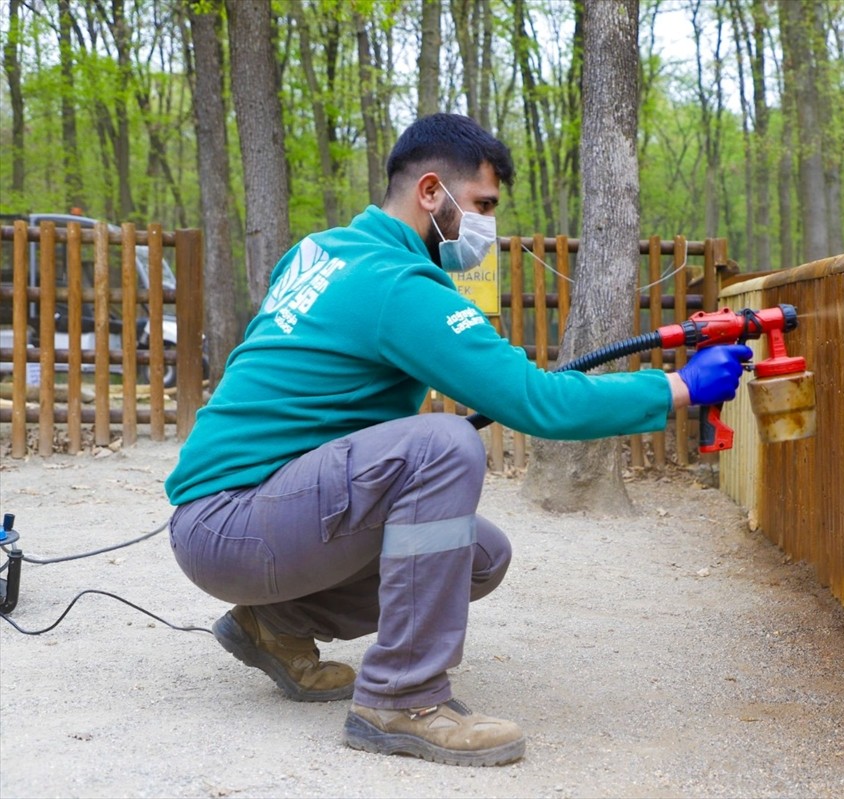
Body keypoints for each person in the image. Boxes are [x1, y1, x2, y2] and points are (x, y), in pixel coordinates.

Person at [165, 113, 752, 768]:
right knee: (442, 445)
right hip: (233, 522)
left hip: (233, 519)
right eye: (482, 206)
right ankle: (402, 697)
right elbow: (536, 401)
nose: (488, 228)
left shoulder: (321, 250)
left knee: (479, 553)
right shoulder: (397, 285)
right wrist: (677, 389)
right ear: (430, 192)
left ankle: (277, 623)